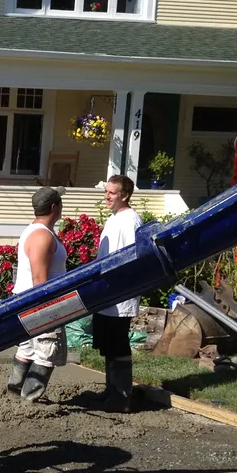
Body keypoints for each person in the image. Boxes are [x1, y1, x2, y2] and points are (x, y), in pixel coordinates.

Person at [7, 187, 68, 403]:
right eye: (60, 203)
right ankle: (29, 399)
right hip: (40, 303)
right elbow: (39, 279)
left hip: (29, 301)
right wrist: (49, 313)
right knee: (46, 350)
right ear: (54, 207)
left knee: (28, 347)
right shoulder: (42, 235)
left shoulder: (38, 231)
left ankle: (15, 391)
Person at [91, 174, 143, 412]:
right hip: (107, 292)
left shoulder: (130, 220)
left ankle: (122, 396)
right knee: (108, 344)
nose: (107, 197)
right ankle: (111, 389)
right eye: (106, 192)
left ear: (125, 195)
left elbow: (132, 258)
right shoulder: (114, 218)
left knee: (118, 343)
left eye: (112, 193)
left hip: (120, 294)